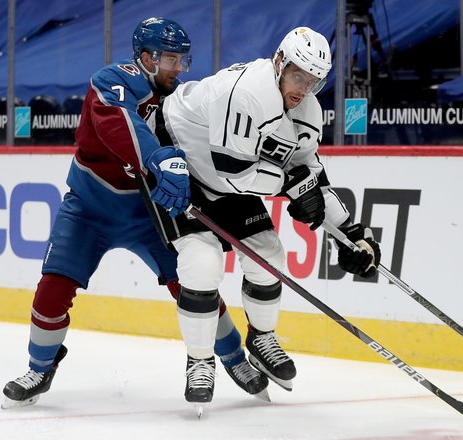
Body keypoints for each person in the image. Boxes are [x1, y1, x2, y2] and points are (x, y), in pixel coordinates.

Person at [1, 17, 268, 410]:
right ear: (145, 57)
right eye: (171, 59)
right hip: (90, 209)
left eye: (183, 60)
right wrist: (158, 158)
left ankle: (233, 358)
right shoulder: (112, 79)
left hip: (149, 214)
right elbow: (121, 124)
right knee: (52, 289)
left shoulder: (178, 98)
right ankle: (40, 367)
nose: (179, 68)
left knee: (194, 285)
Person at [143, 26, 382, 404]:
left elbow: (311, 178)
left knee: (269, 256)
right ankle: (200, 360)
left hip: (233, 176)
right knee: (202, 263)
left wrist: (352, 232)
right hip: (178, 164)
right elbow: (236, 173)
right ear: (279, 63)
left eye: (314, 80)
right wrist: (294, 187)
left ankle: (262, 338)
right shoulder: (249, 91)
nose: (303, 87)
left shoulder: (308, 113)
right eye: (298, 75)